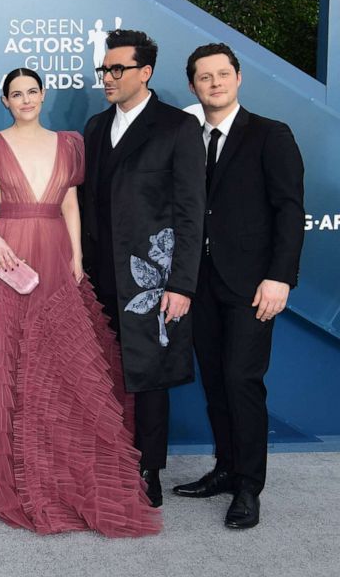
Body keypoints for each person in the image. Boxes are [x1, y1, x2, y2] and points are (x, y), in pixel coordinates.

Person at [0, 68, 161, 537]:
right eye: (16, 94)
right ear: (5, 101)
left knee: (58, 360)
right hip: (6, 253)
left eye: (32, 92)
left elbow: (70, 201)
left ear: (42, 96)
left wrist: (77, 257)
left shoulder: (70, 143)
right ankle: (2, 470)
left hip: (55, 252)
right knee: (2, 357)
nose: (25, 99)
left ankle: (58, 461)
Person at [173, 43, 304, 529]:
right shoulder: (187, 137)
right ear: (192, 85)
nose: (215, 83)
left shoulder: (271, 135)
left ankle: (249, 486)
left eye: (222, 74)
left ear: (239, 77)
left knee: (241, 380)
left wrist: (279, 277)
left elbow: (290, 210)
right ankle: (225, 469)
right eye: (204, 77)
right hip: (200, 283)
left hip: (253, 285)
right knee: (213, 380)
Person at [81, 30, 206, 507]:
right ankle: (108, 459)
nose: (108, 79)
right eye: (104, 70)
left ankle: (149, 469)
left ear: (144, 72)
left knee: (151, 377)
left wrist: (181, 284)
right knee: (103, 372)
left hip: (152, 277)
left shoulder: (177, 127)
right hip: (98, 275)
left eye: (117, 70)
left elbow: (191, 212)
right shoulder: (95, 127)